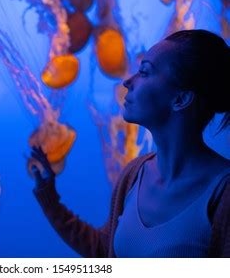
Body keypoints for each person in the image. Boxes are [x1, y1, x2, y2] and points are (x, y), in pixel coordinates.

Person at [30, 29, 230, 258]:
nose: (128, 81)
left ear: (180, 99)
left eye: (145, 72)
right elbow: (104, 251)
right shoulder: (135, 173)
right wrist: (49, 197)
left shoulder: (223, 193)